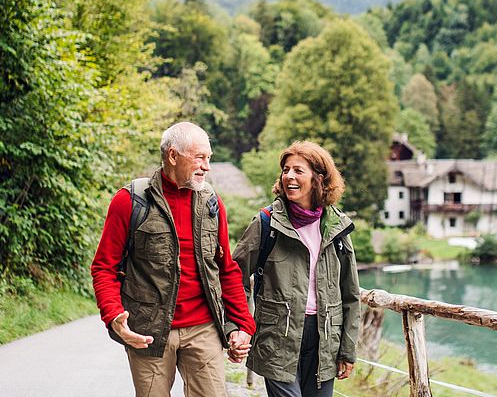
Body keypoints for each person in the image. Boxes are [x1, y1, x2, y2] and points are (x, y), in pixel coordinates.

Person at [91, 122, 255, 397]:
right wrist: (114, 315)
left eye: (209, 158)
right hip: (149, 331)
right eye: (200, 157)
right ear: (172, 155)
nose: (207, 166)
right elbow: (104, 267)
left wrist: (242, 325)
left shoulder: (212, 202)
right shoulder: (130, 200)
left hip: (204, 328)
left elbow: (226, 269)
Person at [232, 141, 361, 397]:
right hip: (277, 335)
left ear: (318, 178)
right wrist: (240, 325)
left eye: (298, 170)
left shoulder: (337, 226)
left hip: (325, 339)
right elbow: (234, 275)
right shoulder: (266, 223)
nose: (289, 176)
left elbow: (350, 293)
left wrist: (347, 350)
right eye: (286, 170)